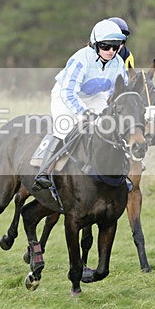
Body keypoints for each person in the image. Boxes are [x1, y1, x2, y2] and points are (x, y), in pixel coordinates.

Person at [33, 19, 129, 190]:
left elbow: (118, 93)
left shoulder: (118, 63)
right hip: (65, 95)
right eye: (106, 46)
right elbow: (68, 92)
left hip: (94, 96)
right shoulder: (81, 59)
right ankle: (44, 172)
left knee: (111, 126)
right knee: (64, 128)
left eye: (115, 47)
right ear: (95, 44)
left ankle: (122, 173)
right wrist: (83, 112)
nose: (111, 51)